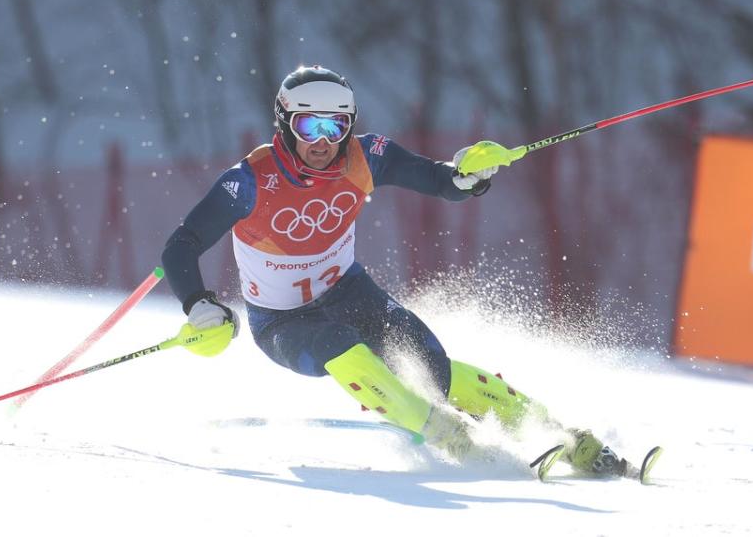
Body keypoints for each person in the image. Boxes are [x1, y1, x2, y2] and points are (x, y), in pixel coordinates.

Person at [162, 65, 632, 477]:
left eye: (336, 126)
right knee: (338, 346)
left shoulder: (367, 156)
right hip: (281, 320)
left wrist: (465, 176)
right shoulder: (248, 181)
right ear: (285, 123)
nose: (323, 141)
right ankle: (449, 437)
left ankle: (564, 437)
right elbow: (181, 246)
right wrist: (198, 302)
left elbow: (437, 179)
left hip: (348, 291)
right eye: (309, 125)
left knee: (431, 365)